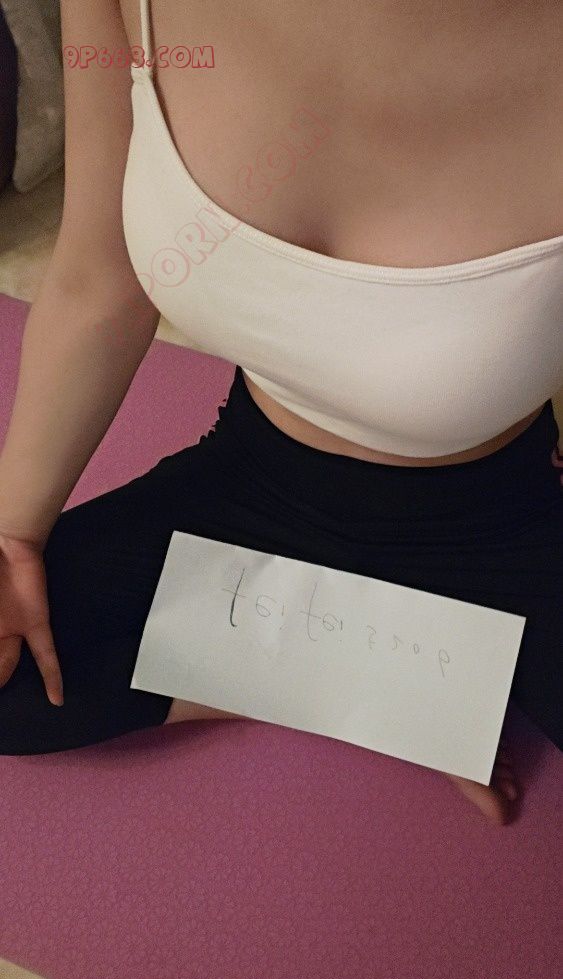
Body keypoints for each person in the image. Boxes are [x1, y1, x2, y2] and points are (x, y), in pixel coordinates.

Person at [0, 0, 561, 828]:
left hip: (504, 518)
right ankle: (393, 685)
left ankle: (396, 673)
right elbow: (97, 276)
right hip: (256, 482)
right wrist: (11, 536)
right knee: (12, 676)